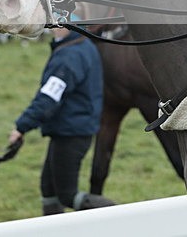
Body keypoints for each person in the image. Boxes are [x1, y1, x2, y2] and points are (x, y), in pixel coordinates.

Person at [7, 20, 113, 215]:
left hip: (71, 133)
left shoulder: (69, 56)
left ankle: (119, 215)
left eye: (57, 24)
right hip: (72, 129)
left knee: (67, 195)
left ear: (68, 26)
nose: (52, 28)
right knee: (49, 190)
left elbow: (48, 99)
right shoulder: (83, 45)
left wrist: (21, 127)